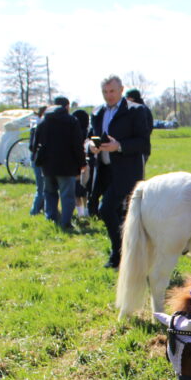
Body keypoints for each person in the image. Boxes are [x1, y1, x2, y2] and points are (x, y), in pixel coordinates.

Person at [88, 74, 153, 268]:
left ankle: (120, 253)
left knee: (105, 209)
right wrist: (90, 145)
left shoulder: (136, 111)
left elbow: (143, 143)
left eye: (112, 91)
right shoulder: (98, 112)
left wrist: (119, 145)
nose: (109, 96)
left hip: (126, 171)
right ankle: (127, 252)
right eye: (105, 92)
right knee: (112, 212)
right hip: (104, 170)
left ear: (121, 90)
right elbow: (90, 136)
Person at [34, 96, 85, 231]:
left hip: (47, 166)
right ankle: (66, 222)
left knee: (50, 193)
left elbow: (34, 144)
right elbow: (77, 145)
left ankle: (51, 219)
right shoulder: (72, 121)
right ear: (66, 107)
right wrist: (82, 163)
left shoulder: (43, 122)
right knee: (67, 195)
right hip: (67, 166)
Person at [125, 88, 153, 168]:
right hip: (135, 148)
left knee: (137, 176)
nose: (126, 100)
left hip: (140, 149)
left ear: (133, 98)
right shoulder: (137, 108)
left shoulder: (141, 110)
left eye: (128, 98)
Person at [28, 106, 47, 216]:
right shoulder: (37, 126)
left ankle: (43, 210)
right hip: (38, 160)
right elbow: (32, 146)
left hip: (37, 160)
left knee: (43, 188)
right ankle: (34, 212)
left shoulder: (37, 125)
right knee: (41, 189)